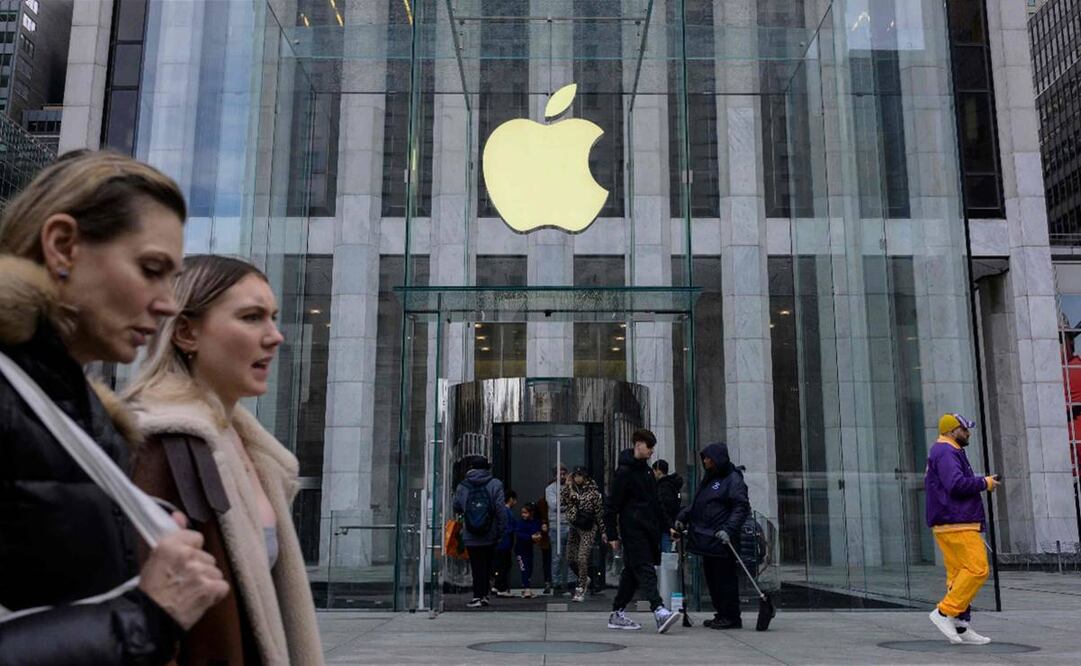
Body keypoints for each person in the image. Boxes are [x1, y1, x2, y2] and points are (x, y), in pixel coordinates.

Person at [0, 151, 229, 663]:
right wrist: (146, 615)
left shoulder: (85, 417)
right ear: (63, 246)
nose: (168, 302)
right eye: (151, 269)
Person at [123, 255, 324, 664]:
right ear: (185, 332)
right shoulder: (160, 445)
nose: (275, 336)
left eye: (273, 317)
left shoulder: (249, 447)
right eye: (251, 318)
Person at [925, 413, 999, 645]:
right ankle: (945, 612)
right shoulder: (947, 451)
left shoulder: (944, 451)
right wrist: (984, 483)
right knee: (977, 569)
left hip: (949, 522)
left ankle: (961, 623)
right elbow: (955, 484)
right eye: (964, 429)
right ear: (951, 430)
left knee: (958, 576)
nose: (968, 433)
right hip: (957, 521)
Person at [603, 429, 681, 633]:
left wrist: (668, 527)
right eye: (649, 447)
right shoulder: (624, 473)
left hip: (647, 529)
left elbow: (656, 503)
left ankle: (617, 613)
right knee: (645, 569)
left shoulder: (646, 472)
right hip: (633, 530)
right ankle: (659, 610)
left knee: (631, 573)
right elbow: (612, 505)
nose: (652, 452)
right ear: (638, 444)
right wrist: (612, 534)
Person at [675, 442, 750, 629]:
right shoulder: (709, 479)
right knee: (712, 578)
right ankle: (721, 613)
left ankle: (731, 616)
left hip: (722, 540)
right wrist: (683, 516)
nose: (705, 461)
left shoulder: (733, 480)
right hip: (708, 539)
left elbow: (740, 507)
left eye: (708, 458)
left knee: (725, 579)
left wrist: (729, 529)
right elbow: (699, 503)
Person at [452, 455, 508, 608]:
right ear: (487, 468)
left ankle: (477, 596)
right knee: (488, 564)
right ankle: (484, 595)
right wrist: (501, 529)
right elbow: (500, 509)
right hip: (489, 531)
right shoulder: (495, 483)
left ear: (471, 468)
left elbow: (456, 506)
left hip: (470, 532)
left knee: (476, 566)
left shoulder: (463, 485)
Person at [561, 467, 603, 602]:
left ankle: (581, 586)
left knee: (582, 557)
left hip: (588, 527)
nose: (577, 479)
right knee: (570, 557)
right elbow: (562, 501)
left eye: (580, 476)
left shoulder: (593, 491)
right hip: (574, 525)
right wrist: (568, 486)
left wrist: (604, 531)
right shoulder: (571, 488)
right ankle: (584, 578)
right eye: (576, 476)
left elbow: (599, 512)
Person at [544, 464, 574, 594]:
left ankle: (571, 582)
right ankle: (556, 583)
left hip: (571, 525)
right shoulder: (550, 489)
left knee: (571, 556)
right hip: (557, 526)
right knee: (557, 556)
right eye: (559, 474)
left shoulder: (572, 487)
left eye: (564, 473)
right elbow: (554, 505)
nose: (562, 476)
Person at [652, 459, 683, 553]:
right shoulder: (672, 485)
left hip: (664, 528)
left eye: (653, 471)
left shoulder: (663, 487)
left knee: (664, 556)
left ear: (658, 470)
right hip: (669, 526)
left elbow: (663, 508)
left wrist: (669, 526)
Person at [513, 503, 543, 598]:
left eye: (525, 513)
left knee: (529, 568)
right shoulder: (521, 522)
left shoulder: (535, 521)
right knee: (524, 568)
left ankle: (526, 586)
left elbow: (538, 530)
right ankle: (526, 588)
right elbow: (519, 534)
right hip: (520, 549)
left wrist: (538, 535)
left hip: (529, 548)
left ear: (531, 513)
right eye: (522, 513)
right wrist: (531, 537)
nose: (523, 515)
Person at [492, 490, 519, 597]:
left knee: (500, 565)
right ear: (511, 499)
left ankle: (497, 585)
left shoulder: (499, 511)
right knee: (505, 565)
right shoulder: (507, 512)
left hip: (500, 543)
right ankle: (501, 587)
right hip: (504, 542)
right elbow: (509, 527)